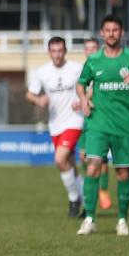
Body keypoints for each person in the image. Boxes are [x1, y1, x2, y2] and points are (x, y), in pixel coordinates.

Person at [75, 15, 129, 236]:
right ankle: (89, 219)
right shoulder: (94, 60)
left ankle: (122, 220)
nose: (111, 34)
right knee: (93, 166)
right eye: (107, 30)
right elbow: (81, 84)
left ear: (121, 32)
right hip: (98, 123)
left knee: (123, 172)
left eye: (115, 30)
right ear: (102, 33)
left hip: (124, 126)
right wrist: (83, 100)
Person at [26, 36, 85, 218]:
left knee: (59, 159)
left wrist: (83, 100)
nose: (57, 55)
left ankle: (74, 198)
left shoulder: (77, 68)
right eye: (54, 51)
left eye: (60, 51)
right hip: (55, 124)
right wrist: (39, 100)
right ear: (49, 52)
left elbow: (90, 88)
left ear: (65, 51)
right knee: (70, 163)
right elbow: (30, 94)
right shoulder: (42, 72)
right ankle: (87, 200)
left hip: (74, 121)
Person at [78, 37, 113, 211]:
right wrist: (80, 101)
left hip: (100, 119)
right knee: (84, 157)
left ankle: (103, 190)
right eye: (88, 48)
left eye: (94, 48)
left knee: (102, 160)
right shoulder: (81, 70)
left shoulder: (103, 67)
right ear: (84, 51)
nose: (90, 51)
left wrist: (86, 99)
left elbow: (98, 88)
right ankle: (94, 188)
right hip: (83, 121)